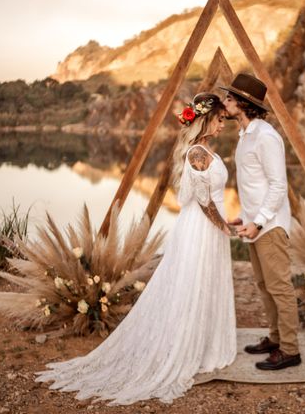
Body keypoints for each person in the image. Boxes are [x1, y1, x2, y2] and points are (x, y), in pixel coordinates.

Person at [36, 93, 237, 405]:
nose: (224, 124)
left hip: (210, 225)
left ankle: (204, 341)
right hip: (202, 228)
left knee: (206, 282)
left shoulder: (205, 149)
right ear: (206, 119)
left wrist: (225, 221)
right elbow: (202, 199)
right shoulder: (197, 152)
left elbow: (211, 196)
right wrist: (224, 225)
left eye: (225, 119)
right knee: (193, 282)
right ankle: (185, 343)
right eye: (221, 119)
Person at [221, 73, 301, 370]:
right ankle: (276, 338)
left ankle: (291, 350)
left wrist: (260, 221)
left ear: (243, 103)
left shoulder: (266, 136)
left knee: (280, 287)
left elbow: (278, 186)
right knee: (264, 285)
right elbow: (253, 184)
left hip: (270, 226)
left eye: (229, 97)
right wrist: (246, 214)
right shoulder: (245, 136)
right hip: (256, 223)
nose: (225, 102)